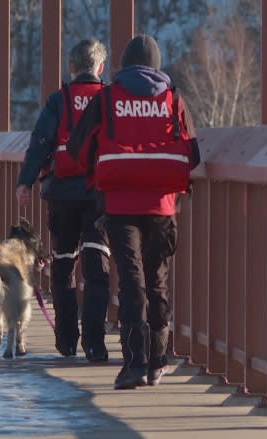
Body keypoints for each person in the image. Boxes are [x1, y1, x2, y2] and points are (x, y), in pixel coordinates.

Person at [67, 34, 201, 389]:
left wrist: (98, 170)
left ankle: (134, 364)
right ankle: (159, 360)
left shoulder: (108, 97)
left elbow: (78, 148)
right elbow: (194, 153)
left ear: (123, 65)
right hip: (161, 205)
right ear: (157, 66)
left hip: (120, 204)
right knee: (157, 280)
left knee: (130, 282)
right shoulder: (173, 98)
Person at [15, 38, 112, 361]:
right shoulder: (110, 99)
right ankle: (95, 344)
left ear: (71, 69)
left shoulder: (59, 100)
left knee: (63, 265)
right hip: (99, 195)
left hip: (62, 195)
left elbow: (39, 143)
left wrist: (25, 182)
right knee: (97, 269)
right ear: (101, 68)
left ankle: (67, 339)